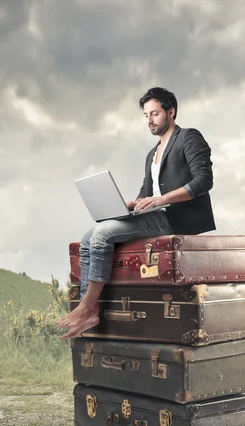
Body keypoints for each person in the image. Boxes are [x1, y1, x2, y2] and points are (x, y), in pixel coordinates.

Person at [58, 87, 216, 339]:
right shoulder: (151, 154)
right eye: (146, 115)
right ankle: (87, 308)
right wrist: (131, 205)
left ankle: (88, 307)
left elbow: (203, 181)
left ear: (171, 112)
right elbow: (147, 192)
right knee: (89, 237)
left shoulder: (189, 138)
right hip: (156, 213)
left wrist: (161, 199)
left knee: (101, 234)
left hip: (177, 217)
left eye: (155, 113)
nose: (150, 120)